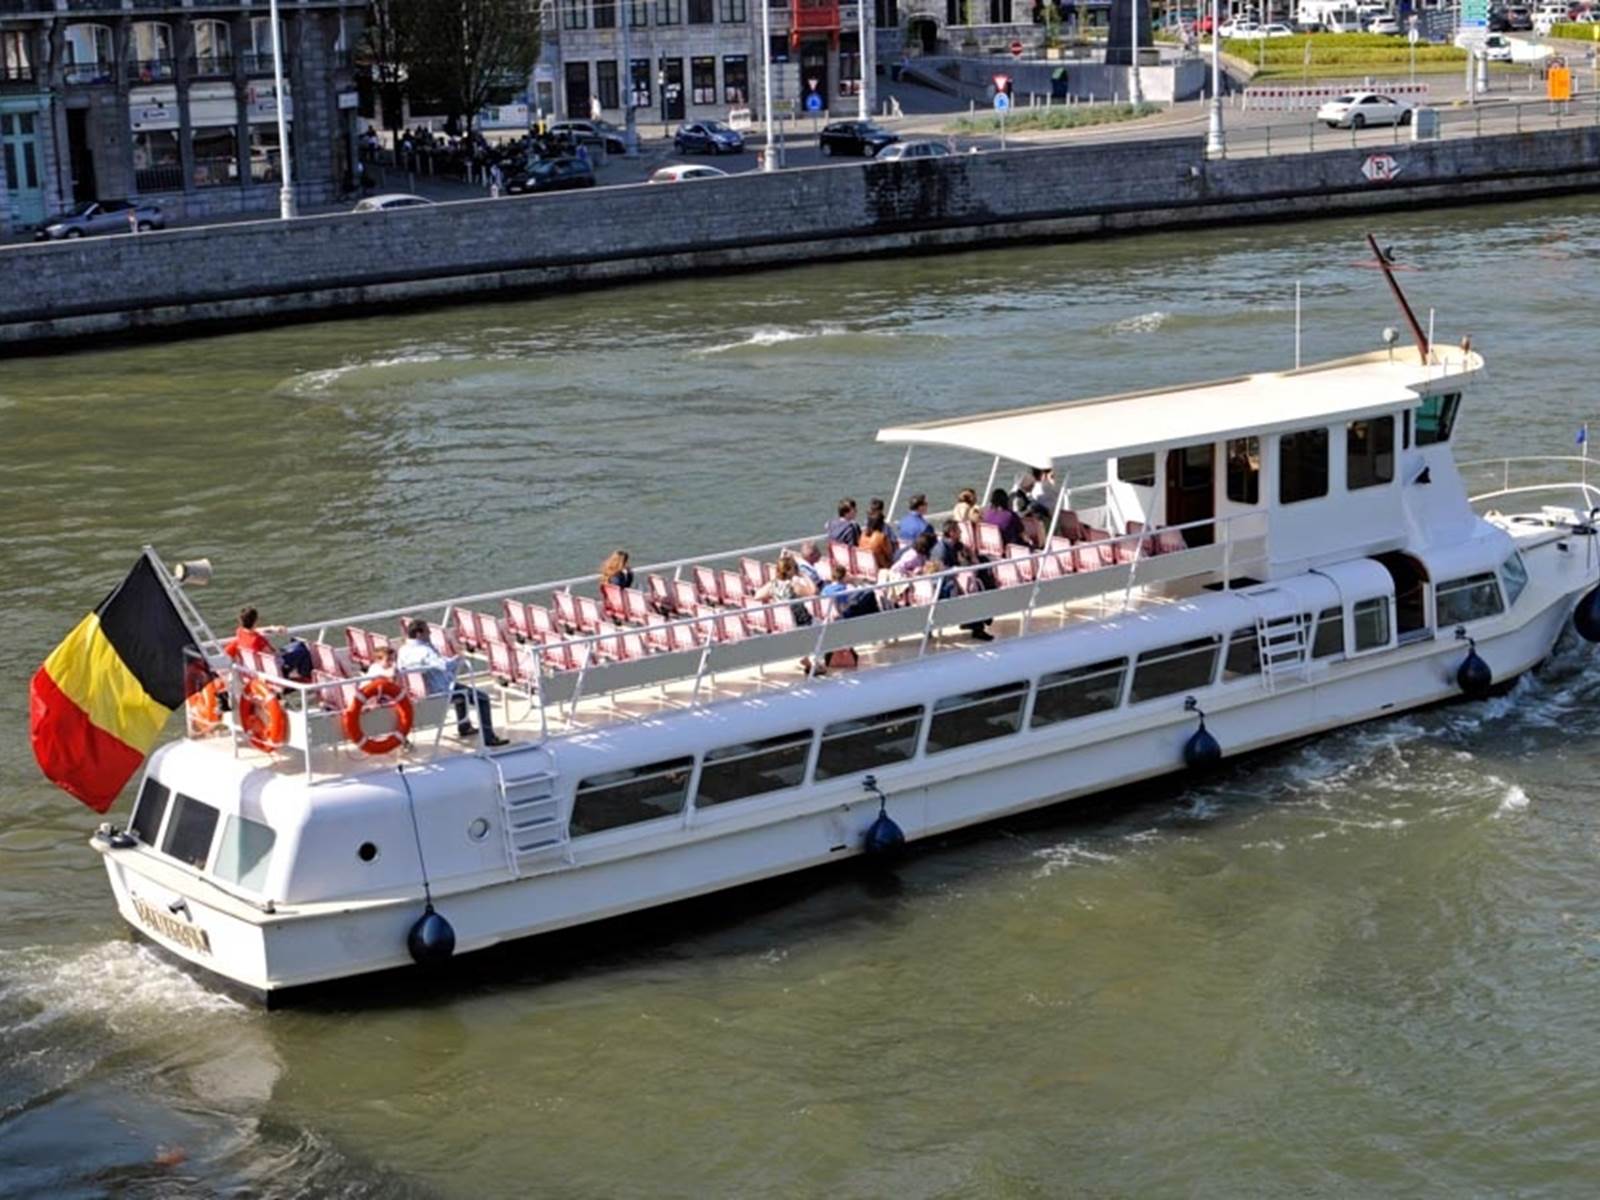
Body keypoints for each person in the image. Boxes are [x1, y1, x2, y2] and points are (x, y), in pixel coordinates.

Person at [396, 618, 508, 746]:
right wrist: (458, 658)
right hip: (440, 692)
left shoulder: (403, 650)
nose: (430, 634)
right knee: (482, 698)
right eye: (427, 631)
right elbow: (444, 665)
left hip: (420, 690)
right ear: (419, 634)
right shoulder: (424, 651)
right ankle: (489, 738)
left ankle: (465, 726)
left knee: (460, 690)